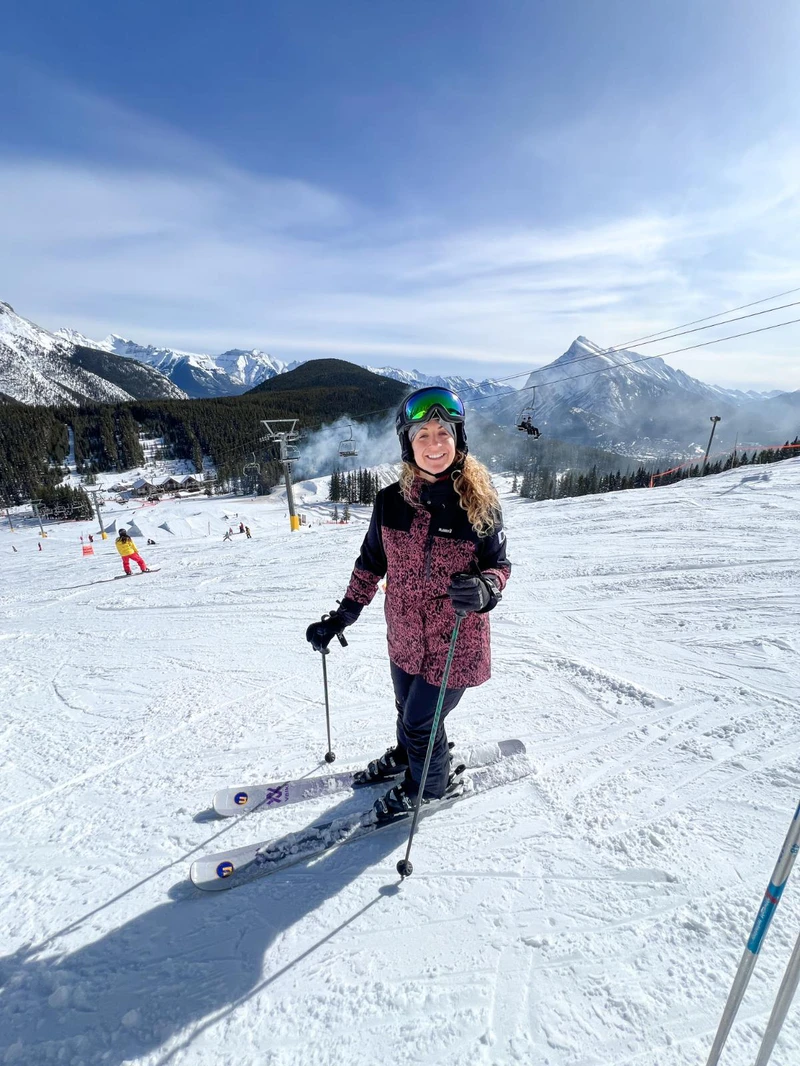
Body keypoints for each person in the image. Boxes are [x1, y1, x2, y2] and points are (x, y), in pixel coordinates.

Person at [306, 387, 511, 822]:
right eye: (423, 435)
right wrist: (342, 616)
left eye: (443, 433)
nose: (434, 444)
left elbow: (499, 566)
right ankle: (407, 756)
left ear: (458, 439)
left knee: (421, 720)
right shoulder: (389, 502)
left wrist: (485, 589)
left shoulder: (479, 502)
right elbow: (370, 565)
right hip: (404, 636)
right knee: (407, 710)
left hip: (456, 640)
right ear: (408, 443)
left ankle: (431, 786)